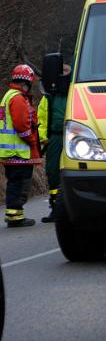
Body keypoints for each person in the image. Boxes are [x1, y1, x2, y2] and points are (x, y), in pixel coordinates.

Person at [1, 65, 42, 227]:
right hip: (19, 151)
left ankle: (14, 215)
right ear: (27, 82)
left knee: (14, 182)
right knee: (19, 184)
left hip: (10, 151)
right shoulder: (18, 99)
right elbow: (22, 126)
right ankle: (15, 217)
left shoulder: (8, 96)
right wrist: (32, 140)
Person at [38, 63, 71, 223]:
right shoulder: (49, 96)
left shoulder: (76, 92)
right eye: (62, 72)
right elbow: (42, 119)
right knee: (53, 172)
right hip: (55, 137)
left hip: (75, 136)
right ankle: (56, 208)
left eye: (67, 72)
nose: (64, 75)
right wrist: (43, 139)